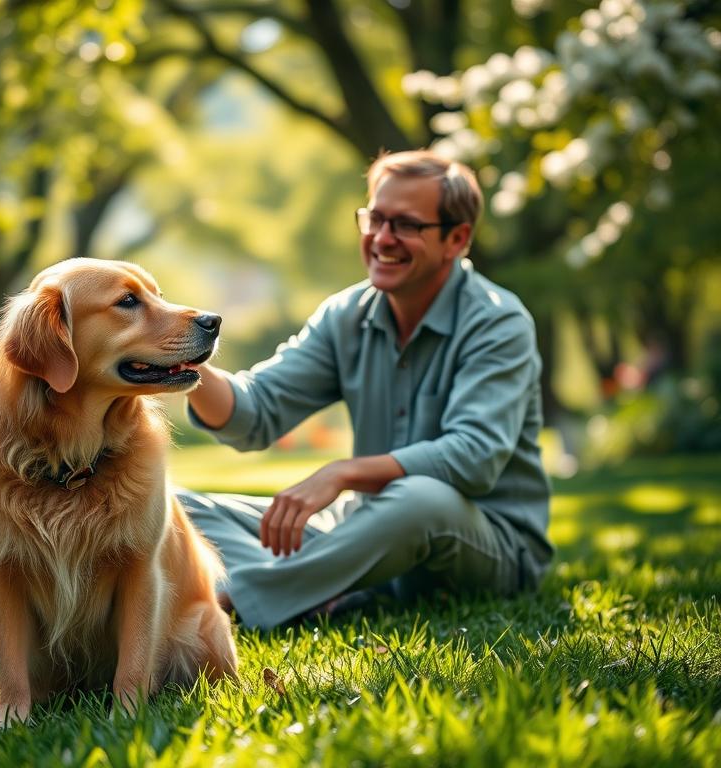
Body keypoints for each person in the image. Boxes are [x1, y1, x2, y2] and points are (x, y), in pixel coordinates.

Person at [178, 149, 554, 630]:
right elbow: (255, 412)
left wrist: (342, 473)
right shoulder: (347, 315)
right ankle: (324, 587)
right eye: (375, 218)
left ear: (457, 239)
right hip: (362, 533)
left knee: (420, 499)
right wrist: (176, 353)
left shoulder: (499, 323)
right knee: (174, 507)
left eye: (406, 224)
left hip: (485, 548)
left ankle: (233, 602)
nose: (382, 238)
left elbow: (473, 458)